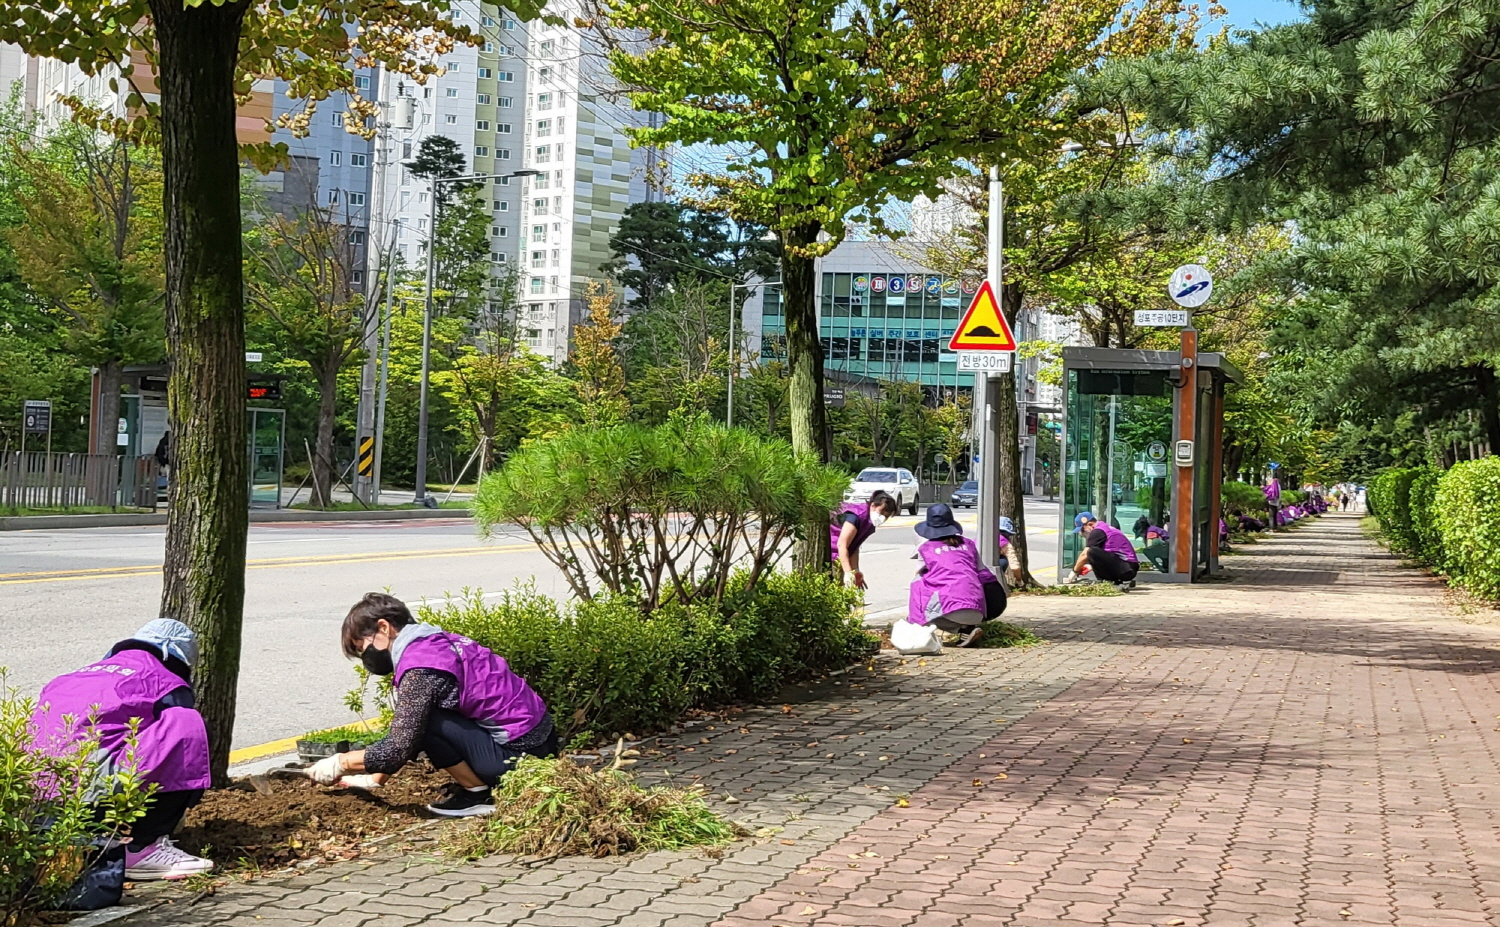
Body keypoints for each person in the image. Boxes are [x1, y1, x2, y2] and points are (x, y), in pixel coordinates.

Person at [312, 593, 558, 817]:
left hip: (519, 762)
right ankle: (478, 787)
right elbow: (407, 731)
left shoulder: (421, 668)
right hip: (542, 747)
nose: (366, 657)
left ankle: (477, 796)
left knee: (426, 720)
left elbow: (397, 748)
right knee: (420, 718)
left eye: (362, 647)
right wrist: (374, 780)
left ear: (384, 628)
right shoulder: (435, 643)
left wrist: (340, 763)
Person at [32, 619, 214, 881]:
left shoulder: (76, 675)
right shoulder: (165, 681)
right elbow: (176, 747)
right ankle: (142, 849)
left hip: (36, 791)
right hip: (89, 788)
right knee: (189, 727)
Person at [907, 504, 1004, 648]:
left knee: (917, 583)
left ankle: (917, 626)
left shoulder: (926, 548)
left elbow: (918, 575)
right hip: (979, 611)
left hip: (952, 610)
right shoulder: (969, 544)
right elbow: (984, 574)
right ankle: (968, 629)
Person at [830, 490, 900, 590]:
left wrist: (855, 571)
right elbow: (842, 545)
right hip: (830, 554)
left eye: (886, 515)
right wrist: (848, 573)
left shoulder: (869, 523)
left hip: (839, 557)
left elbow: (854, 546)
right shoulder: (856, 517)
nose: (883, 517)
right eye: (882, 511)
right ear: (873, 505)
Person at [1065, 511, 1139, 589]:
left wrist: (1075, 571)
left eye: (1082, 530)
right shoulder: (1104, 528)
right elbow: (1105, 555)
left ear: (1090, 524)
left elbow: (1085, 554)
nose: (1082, 533)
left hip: (1126, 568)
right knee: (1093, 553)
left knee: (1091, 551)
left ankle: (1106, 581)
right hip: (1127, 567)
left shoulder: (1098, 531)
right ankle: (1113, 581)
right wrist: (1091, 565)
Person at [996, 516, 1024, 588]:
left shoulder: (981, 537)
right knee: (1003, 560)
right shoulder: (1005, 544)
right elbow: (1015, 566)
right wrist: (1019, 580)